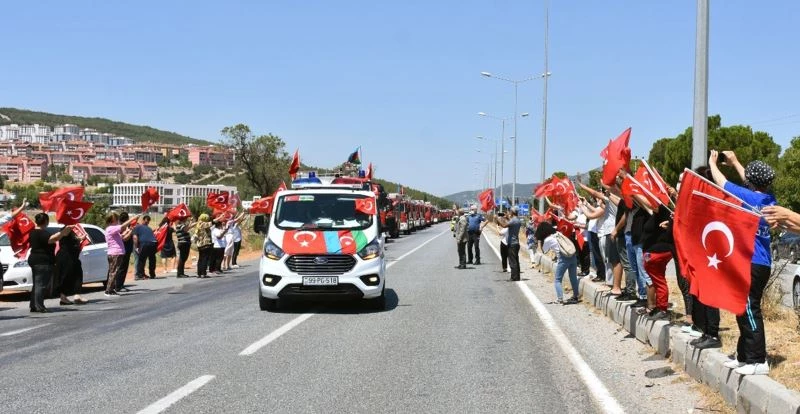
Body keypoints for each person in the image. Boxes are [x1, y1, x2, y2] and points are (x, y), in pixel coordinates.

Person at [709, 150, 777, 376]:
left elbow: (722, 182)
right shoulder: (768, 199)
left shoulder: (750, 198)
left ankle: (758, 360)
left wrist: (713, 163)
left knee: (749, 308)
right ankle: (744, 356)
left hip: (753, 263)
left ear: (751, 181)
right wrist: (736, 162)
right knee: (743, 307)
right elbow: (751, 181)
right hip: (761, 264)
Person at [28, 213, 73, 312]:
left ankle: (34, 305)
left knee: (37, 284)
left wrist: (63, 232)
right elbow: (53, 239)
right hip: (42, 261)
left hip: (34, 259)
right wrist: (62, 232)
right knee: (41, 285)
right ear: (46, 221)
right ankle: (39, 306)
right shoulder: (42, 233)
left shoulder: (32, 232)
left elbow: (54, 238)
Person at [542, 225, 580, 305]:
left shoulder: (547, 239)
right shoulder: (559, 234)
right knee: (573, 277)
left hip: (563, 259)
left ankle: (560, 299)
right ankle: (575, 297)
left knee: (558, 280)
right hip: (572, 256)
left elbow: (544, 251)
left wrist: (540, 241)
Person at [105, 212, 138, 296]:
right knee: (113, 272)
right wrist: (133, 218)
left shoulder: (113, 230)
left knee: (114, 272)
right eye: (116, 219)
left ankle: (111, 289)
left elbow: (124, 237)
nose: (118, 221)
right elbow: (122, 227)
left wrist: (130, 230)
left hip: (117, 253)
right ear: (112, 220)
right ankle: (108, 290)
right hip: (115, 253)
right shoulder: (111, 228)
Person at [55, 226, 89, 305]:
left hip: (65, 256)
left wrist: (80, 238)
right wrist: (81, 238)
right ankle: (75, 296)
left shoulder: (64, 230)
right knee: (75, 275)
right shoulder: (67, 230)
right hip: (69, 257)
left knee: (66, 277)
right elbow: (72, 241)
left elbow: (73, 240)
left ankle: (65, 297)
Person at [496, 206, 522, 281]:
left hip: (512, 243)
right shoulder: (517, 220)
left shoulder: (513, 220)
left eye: (510, 211)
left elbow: (504, 225)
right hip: (516, 242)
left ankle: (514, 277)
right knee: (516, 260)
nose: (509, 212)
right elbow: (510, 223)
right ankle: (517, 276)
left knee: (512, 261)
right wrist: (507, 217)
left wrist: (497, 218)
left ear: (513, 212)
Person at [115, 211, 136, 292]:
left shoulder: (123, 226)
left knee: (122, 268)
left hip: (126, 249)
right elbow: (125, 238)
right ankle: (118, 286)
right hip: (123, 250)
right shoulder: (122, 227)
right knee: (122, 268)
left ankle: (120, 285)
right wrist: (130, 231)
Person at [133, 215, 158, 280]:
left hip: (145, 243)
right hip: (154, 243)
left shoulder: (137, 227)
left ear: (142, 220)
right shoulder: (149, 228)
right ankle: (152, 274)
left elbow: (135, 238)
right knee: (152, 259)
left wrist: (136, 247)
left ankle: (140, 275)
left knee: (141, 259)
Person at [194, 214, 214, 278]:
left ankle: (199, 273)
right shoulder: (203, 224)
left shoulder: (198, 224)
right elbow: (212, 223)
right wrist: (220, 218)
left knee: (200, 259)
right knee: (205, 259)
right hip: (205, 243)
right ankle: (203, 273)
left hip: (200, 244)